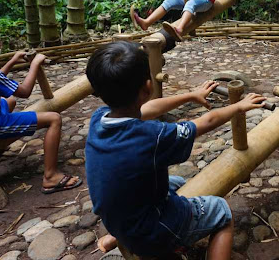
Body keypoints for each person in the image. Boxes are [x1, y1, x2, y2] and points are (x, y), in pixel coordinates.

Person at [85, 41, 265, 259]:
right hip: (150, 231)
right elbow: (207, 121)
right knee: (222, 211)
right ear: (148, 87)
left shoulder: (99, 118)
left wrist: (190, 95)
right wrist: (239, 106)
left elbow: (146, 109)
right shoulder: (153, 136)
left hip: (118, 219)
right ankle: (152, 239)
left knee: (179, 183)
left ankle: (118, 235)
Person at [0, 14, 82, 194]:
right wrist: (35, 64)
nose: (0, 44)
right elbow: (25, 92)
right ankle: (50, 177)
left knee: (9, 100)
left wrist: (12, 61)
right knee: (54, 119)